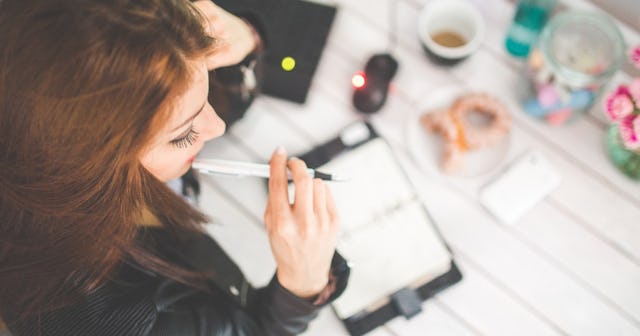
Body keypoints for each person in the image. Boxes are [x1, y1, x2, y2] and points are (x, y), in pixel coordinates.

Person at [0, 0, 349, 335]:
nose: (217, 128)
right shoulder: (108, 322)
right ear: (93, 163)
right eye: (183, 135)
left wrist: (246, 36)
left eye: (206, 90)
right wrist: (302, 285)